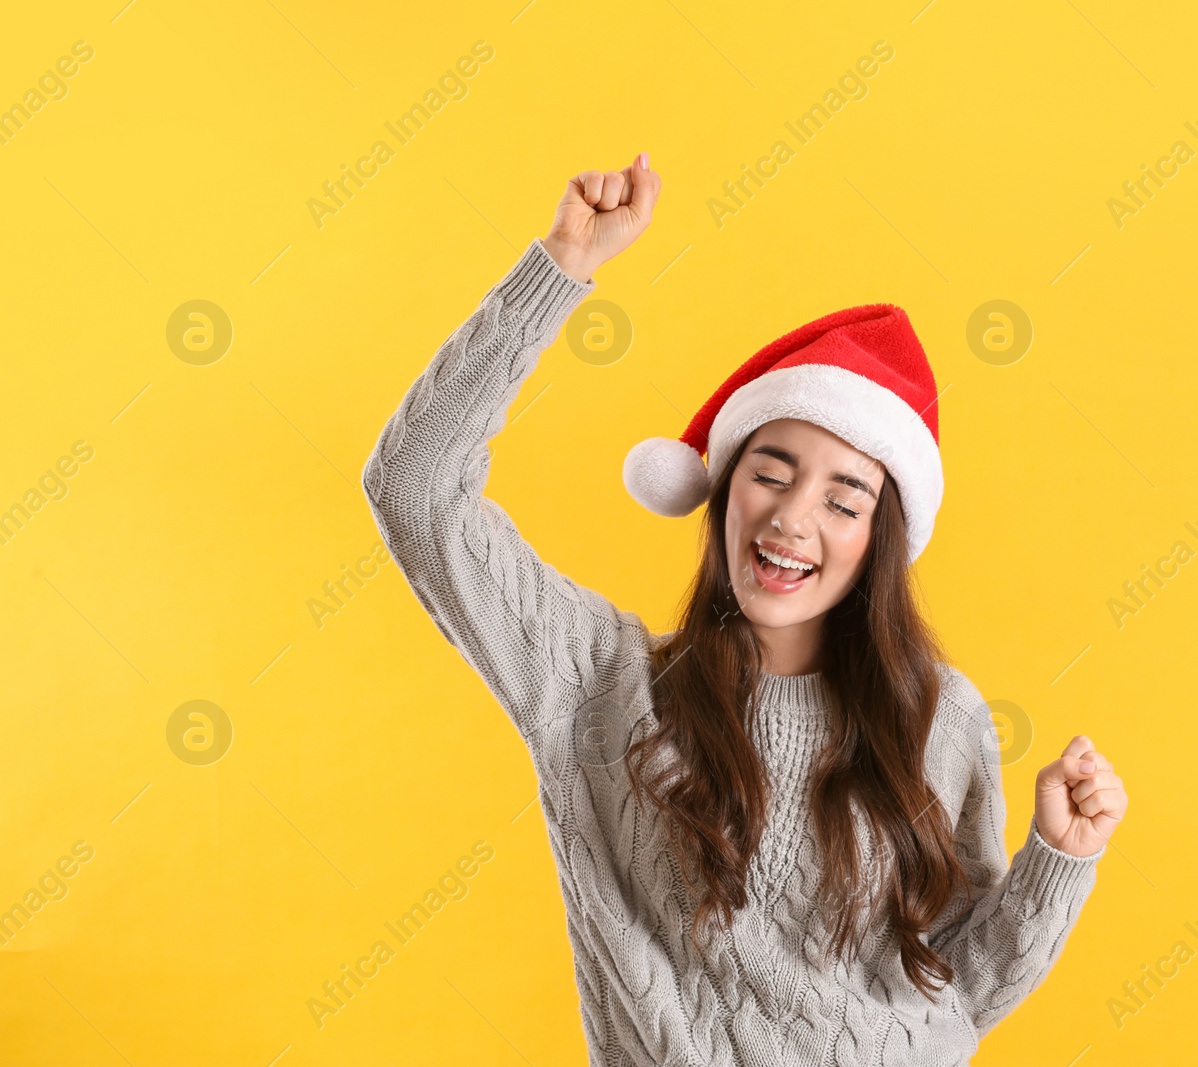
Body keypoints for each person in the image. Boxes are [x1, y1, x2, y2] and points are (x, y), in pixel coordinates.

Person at [362, 151, 1129, 1067]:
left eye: (844, 501)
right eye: (770, 472)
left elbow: (957, 988)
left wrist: (1058, 858)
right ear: (723, 493)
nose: (793, 518)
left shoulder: (940, 715)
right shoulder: (598, 683)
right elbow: (415, 487)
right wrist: (560, 266)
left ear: (876, 541)